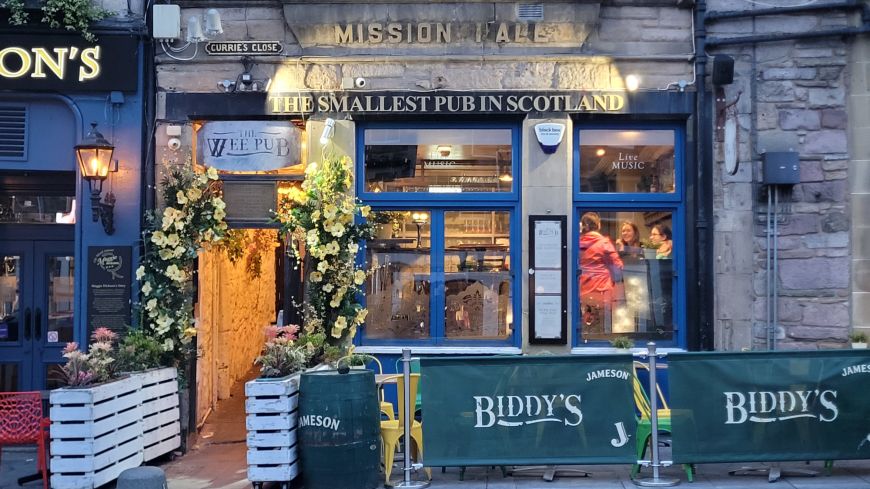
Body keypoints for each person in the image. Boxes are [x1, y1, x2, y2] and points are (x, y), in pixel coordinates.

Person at [579, 212, 624, 333]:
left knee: (585, 324)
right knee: (602, 327)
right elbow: (618, 267)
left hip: (582, 291)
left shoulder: (577, 243)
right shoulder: (604, 243)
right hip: (602, 291)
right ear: (598, 225)